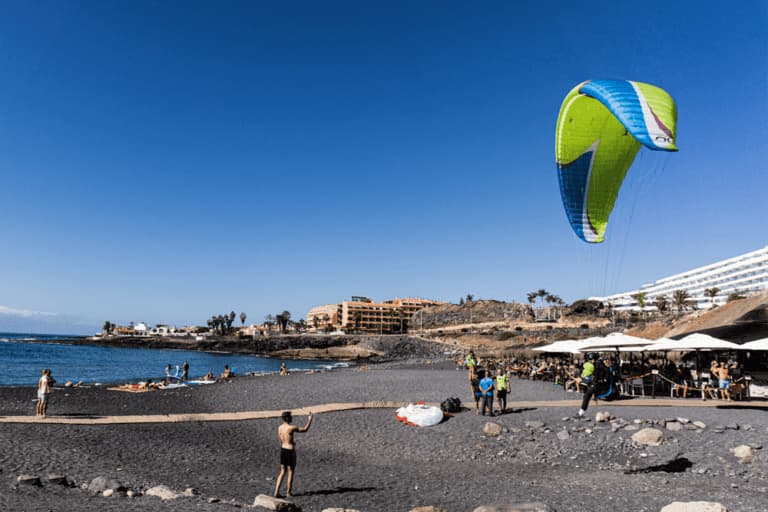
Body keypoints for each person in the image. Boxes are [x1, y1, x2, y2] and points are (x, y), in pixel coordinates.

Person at [274, 410, 313, 498]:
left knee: (282, 471)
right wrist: (310, 419)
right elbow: (305, 429)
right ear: (287, 418)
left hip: (283, 449)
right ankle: (288, 492)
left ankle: (276, 491)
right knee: (291, 471)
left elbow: (280, 440)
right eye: (291, 417)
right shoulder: (291, 427)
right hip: (290, 451)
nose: (292, 418)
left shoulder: (279, 427)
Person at [576, 353, 605, 418]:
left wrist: (603, 379)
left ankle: (581, 413)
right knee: (586, 396)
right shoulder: (591, 365)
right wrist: (581, 378)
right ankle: (581, 413)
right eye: (590, 359)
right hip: (593, 383)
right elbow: (587, 373)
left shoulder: (599, 364)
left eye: (592, 359)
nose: (591, 361)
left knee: (587, 395)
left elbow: (605, 371)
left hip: (599, 384)